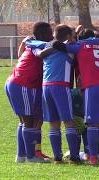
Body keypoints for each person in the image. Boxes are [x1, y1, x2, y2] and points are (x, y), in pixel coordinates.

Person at [52, 29, 99, 165]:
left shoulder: (80, 45)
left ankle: (93, 157)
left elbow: (58, 46)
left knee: (92, 123)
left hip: (92, 87)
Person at [27, 24, 80, 164]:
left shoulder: (45, 46)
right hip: (61, 86)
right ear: (68, 37)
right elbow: (77, 48)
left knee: (54, 123)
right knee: (69, 122)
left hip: (46, 87)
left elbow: (34, 48)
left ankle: (57, 157)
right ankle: (74, 157)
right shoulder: (68, 49)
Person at [4, 22, 53, 163]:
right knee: (29, 121)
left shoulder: (33, 43)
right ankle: (31, 157)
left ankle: (21, 156)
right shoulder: (39, 45)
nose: (52, 36)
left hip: (16, 83)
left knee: (25, 121)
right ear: (43, 35)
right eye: (50, 33)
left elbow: (22, 53)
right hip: (23, 84)